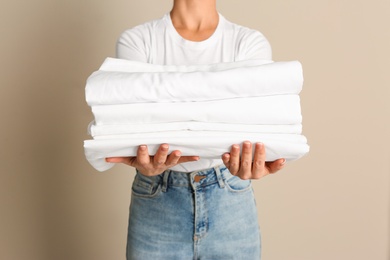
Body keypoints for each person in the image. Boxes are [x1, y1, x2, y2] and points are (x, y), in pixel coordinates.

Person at [106, 0, 286, 259]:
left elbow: (252, 122)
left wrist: (254, 157)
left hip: (230, 200)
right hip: (157, 198)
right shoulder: (138, 41)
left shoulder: (248, 43)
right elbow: (137, 122)